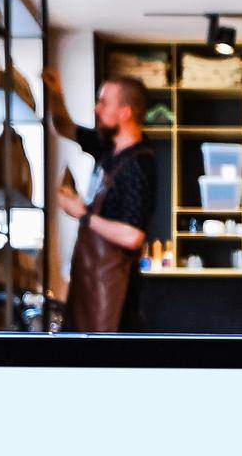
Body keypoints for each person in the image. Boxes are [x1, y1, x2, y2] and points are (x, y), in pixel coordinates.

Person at [43, 69, 157, 332]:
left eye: (104, 102)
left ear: (125, 112)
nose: (97, 108)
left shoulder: (139, 164)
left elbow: (132, 236)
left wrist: (83, 214)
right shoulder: (108, 148)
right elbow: (62, 125)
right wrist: (55, 91)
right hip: (90, 280)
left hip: (115, 294)